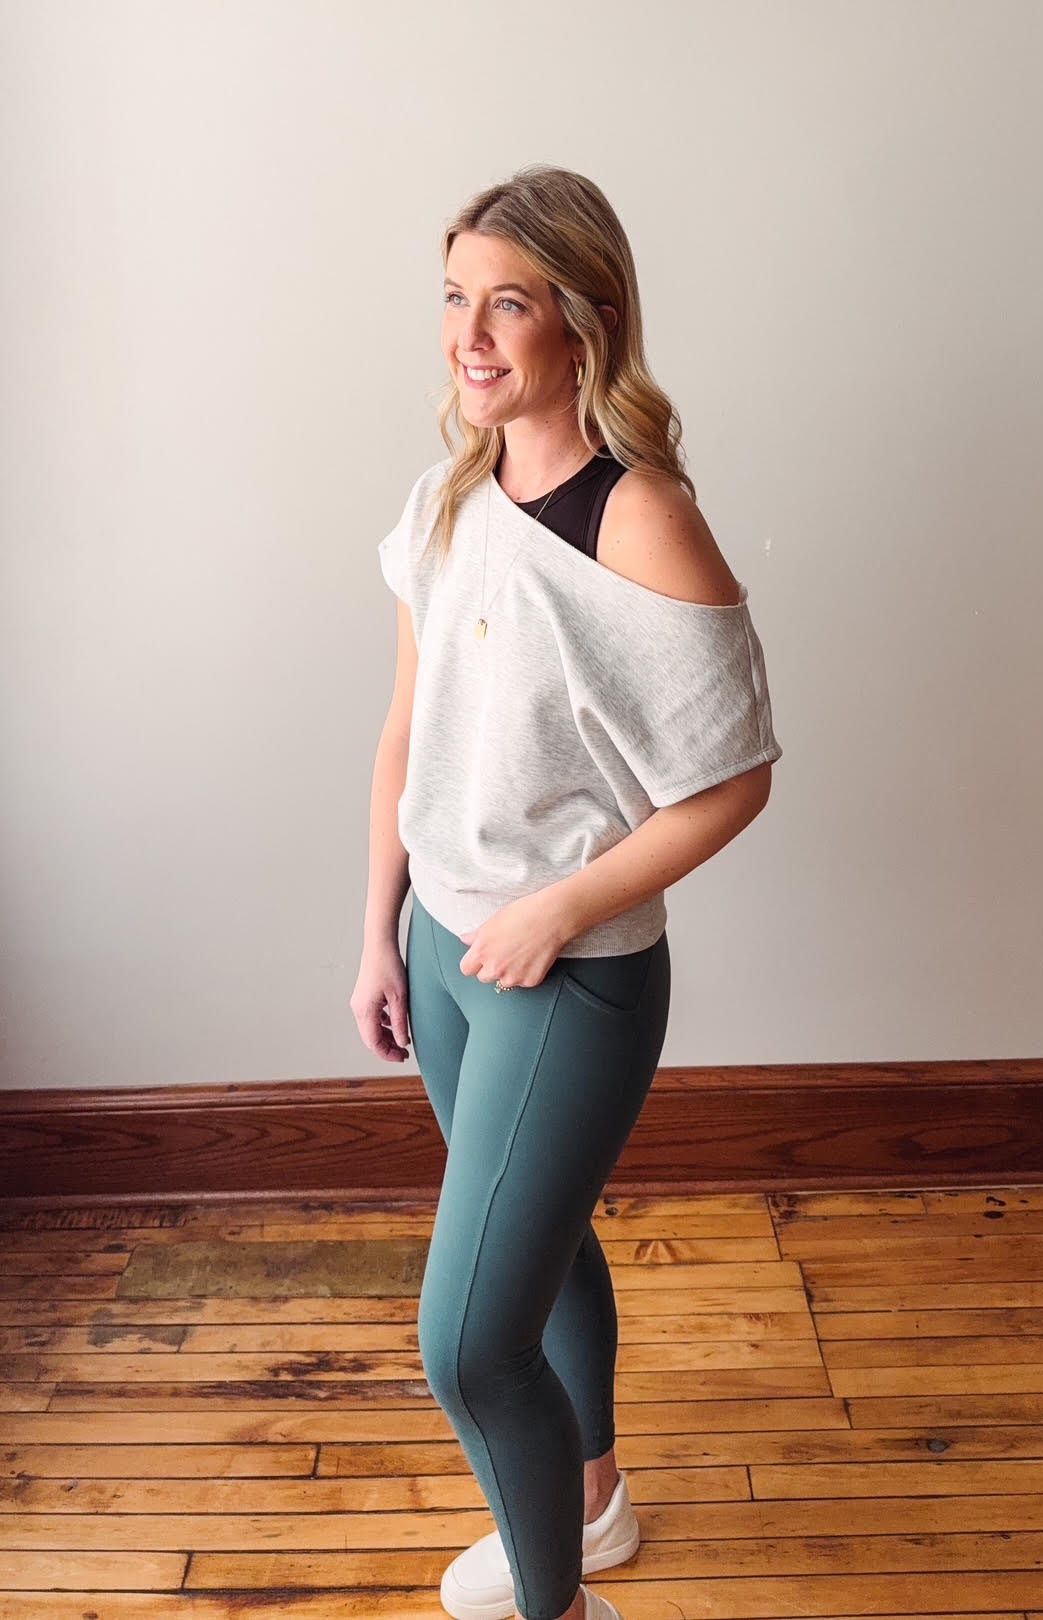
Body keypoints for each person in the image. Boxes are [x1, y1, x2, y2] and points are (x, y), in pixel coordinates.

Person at [354, 164, 783, 1620]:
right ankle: (592, 1505)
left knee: (468, 1346)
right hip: (443, 941)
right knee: (549, 1241)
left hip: (568, 972)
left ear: (585, 323)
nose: (470, 335)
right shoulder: (448, 496)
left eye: (509, 304)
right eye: (456, 299)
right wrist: (382, 930)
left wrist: (553, 911)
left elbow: (734, 780)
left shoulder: (640, 517)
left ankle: (558, 1611)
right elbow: (407, 736)